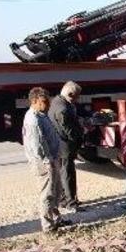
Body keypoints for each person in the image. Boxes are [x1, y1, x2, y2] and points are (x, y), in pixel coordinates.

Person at [22, 87, 71, 233]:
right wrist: (47, 161)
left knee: (55, 192)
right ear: (34, 101)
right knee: (47, 194)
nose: (48, 105)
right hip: (44, 162)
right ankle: (48, 226)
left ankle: (56, 219)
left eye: (48, 101)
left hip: (51, 159)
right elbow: (37, 145)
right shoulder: (33, 119)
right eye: (44, 102)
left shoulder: (41, 115)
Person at [48, 81, 84, 212]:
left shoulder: (57, 101)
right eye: (76, 96)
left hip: (59, 145)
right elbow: (69, 131)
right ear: (70, 94)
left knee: (64, 173)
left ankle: (64, 200)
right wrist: (83, 131)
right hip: (65, 147)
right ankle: (71, 203)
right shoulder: (63, 109)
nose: (78, 99)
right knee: (67, 174)